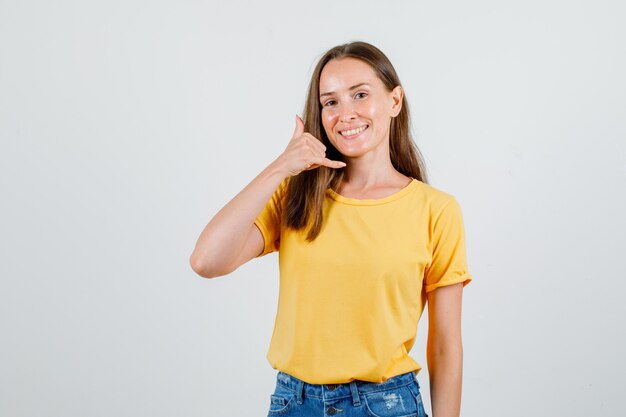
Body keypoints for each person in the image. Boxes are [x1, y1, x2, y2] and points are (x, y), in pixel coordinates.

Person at [190, 41, 472, 417]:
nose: (346, 114)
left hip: (388, 405)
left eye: (360, 94)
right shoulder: (297, 196)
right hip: (295, 404)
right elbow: (206, 261)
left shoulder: (436, 210)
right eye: (330, 102)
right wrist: (280, 167)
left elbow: (445, 346)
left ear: (394, 101)